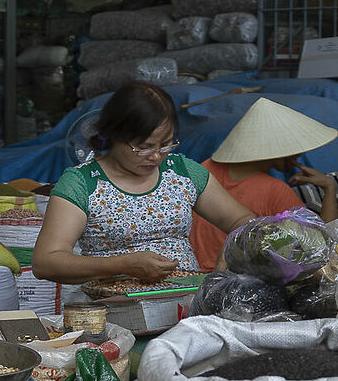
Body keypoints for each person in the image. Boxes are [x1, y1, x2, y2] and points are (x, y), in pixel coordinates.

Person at [32, 82, 261, 289]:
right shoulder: (83, 182)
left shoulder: (182, 172)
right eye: (143, 147)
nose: (155, 156)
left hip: (186, 307)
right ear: (113, 135)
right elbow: (46, 262)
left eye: (165, 144)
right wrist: (123, 265)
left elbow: (243, 221)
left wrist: (233, 245)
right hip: (114, 311)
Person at [188, 96, 338, 270]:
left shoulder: (204, 168)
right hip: (230, 279)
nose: (299, 155)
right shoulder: (274, 190)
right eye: (295, 149)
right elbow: (321, 247)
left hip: (190, 271)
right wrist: (329, 187)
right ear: (278, 150)